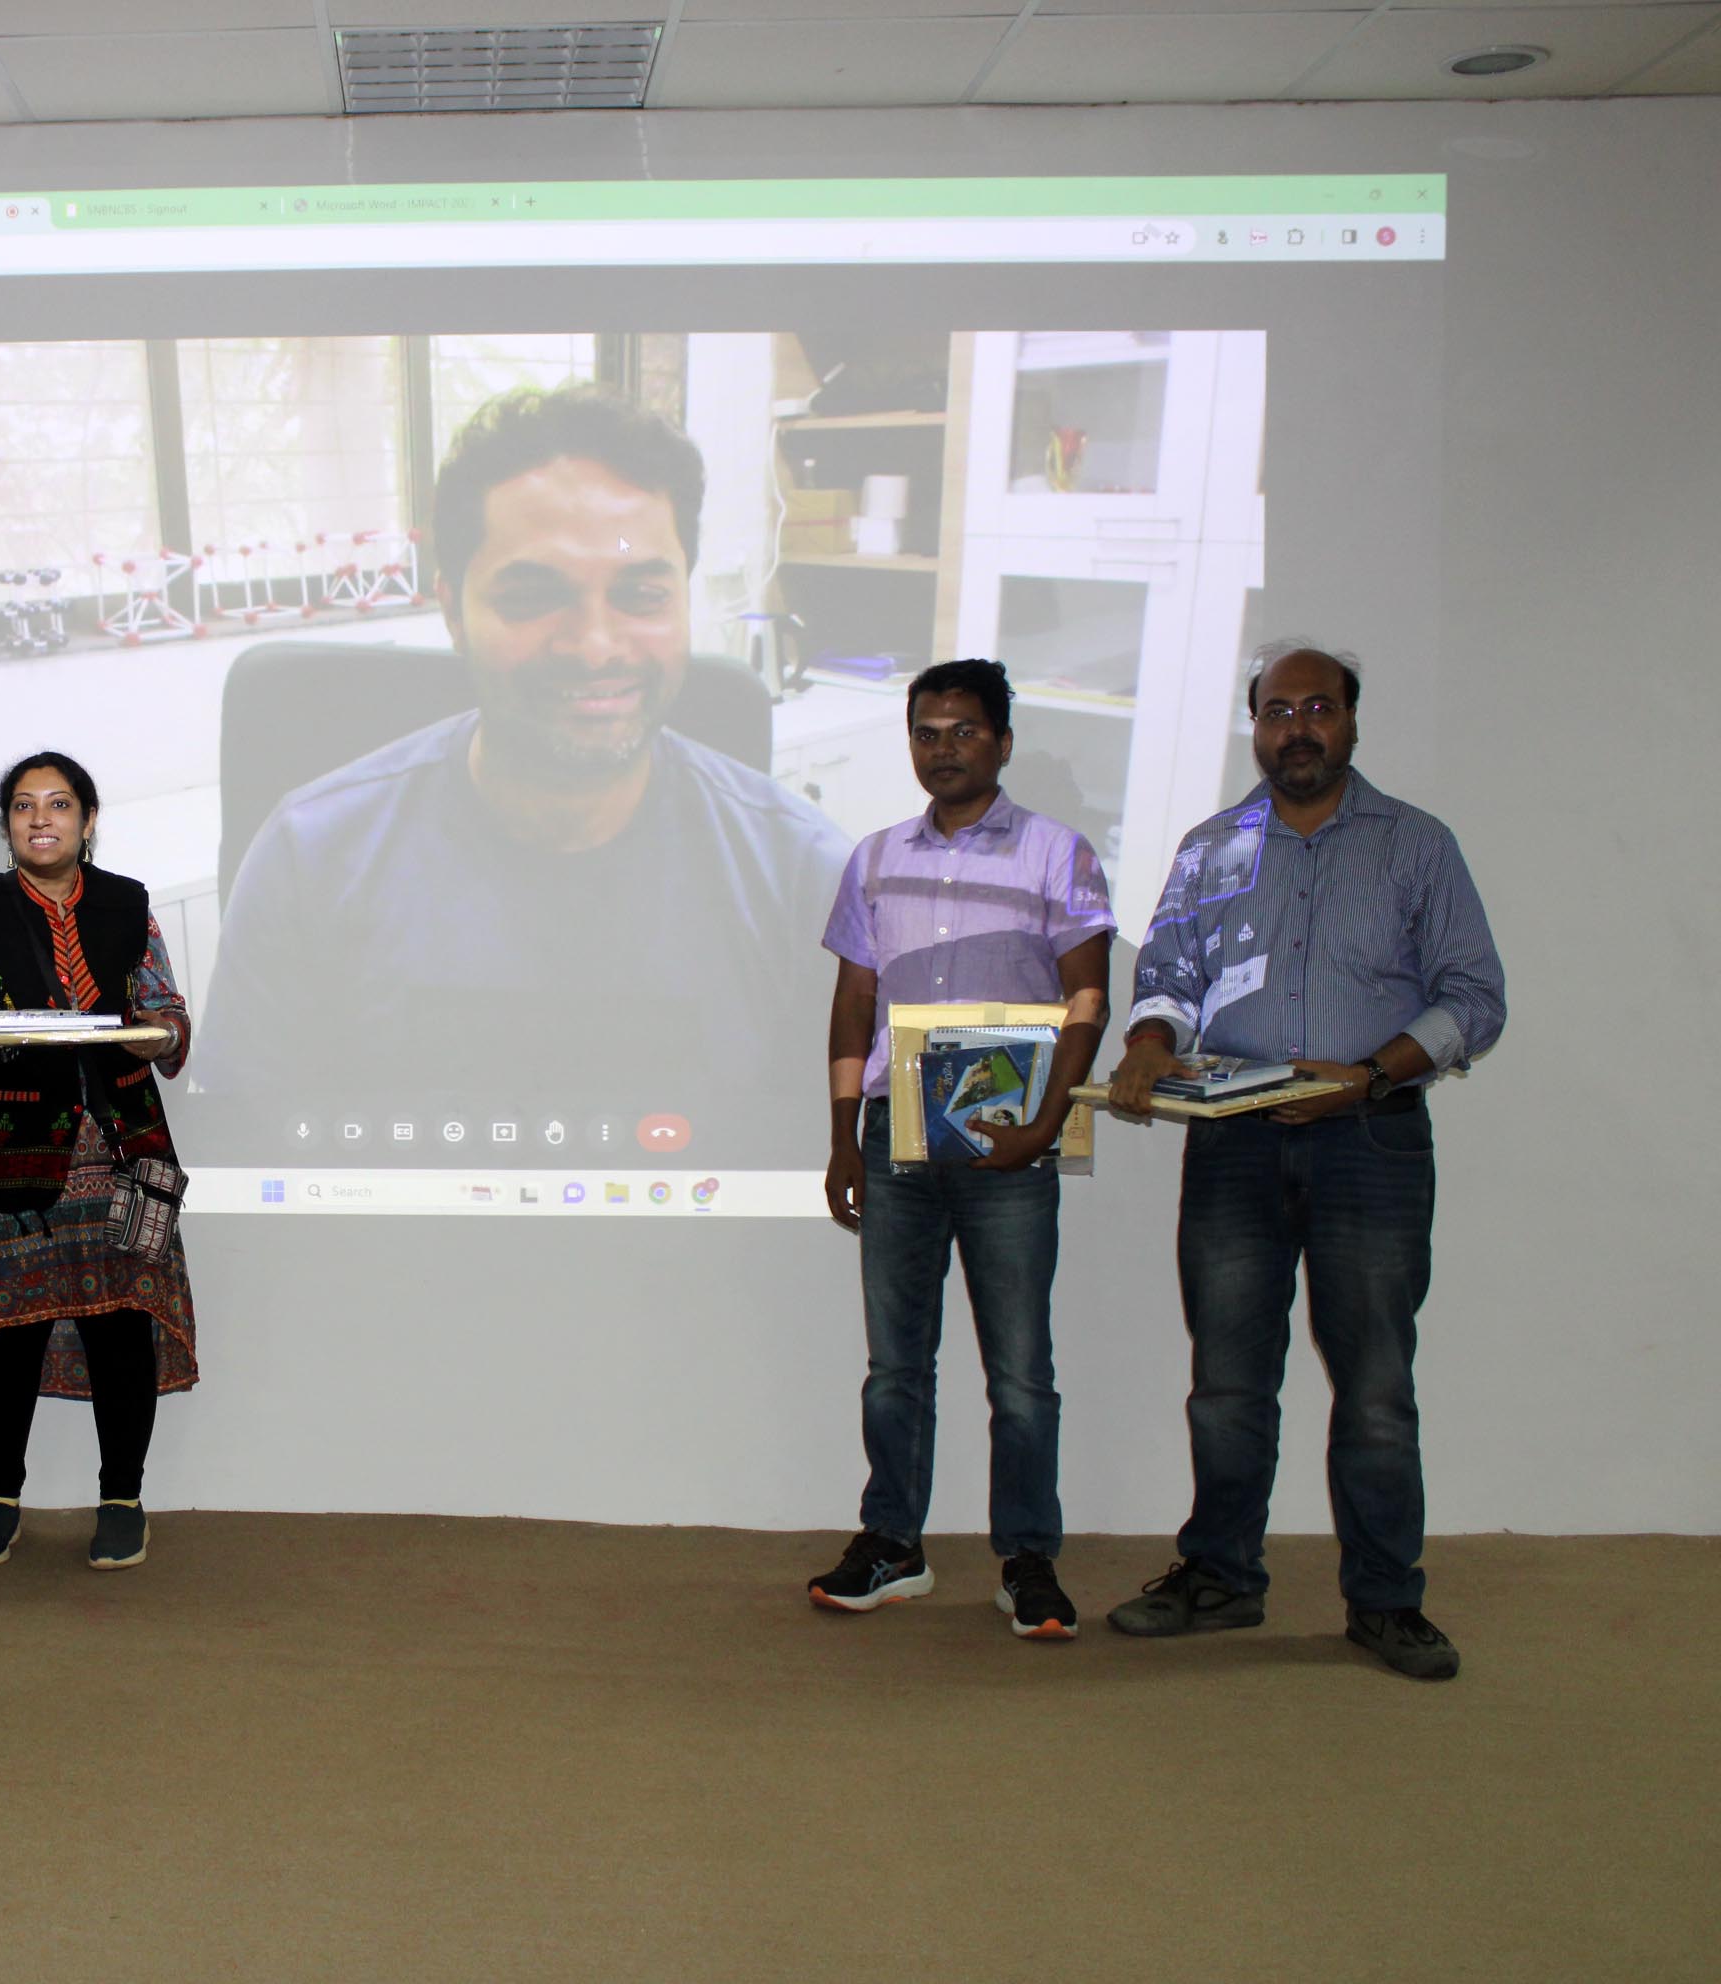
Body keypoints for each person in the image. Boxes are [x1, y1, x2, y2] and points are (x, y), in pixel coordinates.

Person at [200, 386, 849, 1159]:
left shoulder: (807, 880)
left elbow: (847, 1182)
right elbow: (243, 1171)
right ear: (453, 610)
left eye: (642, 594)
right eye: (534, 596)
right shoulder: (310, 859)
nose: (596, 645)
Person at [1101, 641, 1506, 1681]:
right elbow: (1168, 974)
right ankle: (1221, 1577)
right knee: (1228, 1381)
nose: (1297, 729)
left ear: (1352, 720)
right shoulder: (1211, 848)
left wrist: (1366, 1076)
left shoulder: (1416, 845)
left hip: (1371, 1139)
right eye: (1277, 711)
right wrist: (1148, 1038)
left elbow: (1474, 997)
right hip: (1233, 1144)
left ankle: (1386, 1602)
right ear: (1256, 727)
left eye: (1317, 708)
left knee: (1374, 1388)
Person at [806, 660, 1115, 1639]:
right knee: (896, 1366)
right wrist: (842, 1135)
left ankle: (1027, 1560)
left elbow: (1088, 998)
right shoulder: (874, 859)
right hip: (895, 1141)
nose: (944, 750)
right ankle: (893, 1544)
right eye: (926, 733)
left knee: (1021, 1371)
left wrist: (1047, 1121)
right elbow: (855, 1002)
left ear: (1004, 743)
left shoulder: (1057, 852)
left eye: (965, 732)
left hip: (1011, 1145)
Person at [0, 752, 197, 1571]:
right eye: (24, 806)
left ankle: (122, 1499)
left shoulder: (128, 904)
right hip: (6, 1148)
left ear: (87, 820)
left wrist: (163, 1034)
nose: (41, 819)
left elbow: (165, 1007)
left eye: (59, 804)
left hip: (120, 1144)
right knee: (8, 1329)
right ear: (7, 826)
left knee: (121, 1324)